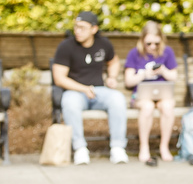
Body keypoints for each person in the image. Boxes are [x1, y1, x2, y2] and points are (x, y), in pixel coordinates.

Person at [51, 11, 128, 166]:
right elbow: (59, 78)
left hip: (99, 90)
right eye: (76, 27)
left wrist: (112, 77)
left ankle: (118, 148)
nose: (77, 31)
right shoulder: (66, 46)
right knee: (69, 102)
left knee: (118, 99)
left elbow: (113, 62)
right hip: (75, 92)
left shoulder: (104, 44)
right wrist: (84, 89)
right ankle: (80, 149)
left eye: (82, 27)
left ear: (94, 29)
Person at [123, 21, 178, 166]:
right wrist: (144, 75)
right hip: (141, 97)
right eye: (149, 44)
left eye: (156, 43)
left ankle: (164, 147)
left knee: (167, 106)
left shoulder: (167, 52)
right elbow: (128, 81)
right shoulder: (134, 54)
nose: (153, 47)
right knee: (147, 107)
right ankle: (144, 147)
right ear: (142, 41)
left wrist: (163, 71)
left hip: (162, 95)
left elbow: (174, 76)